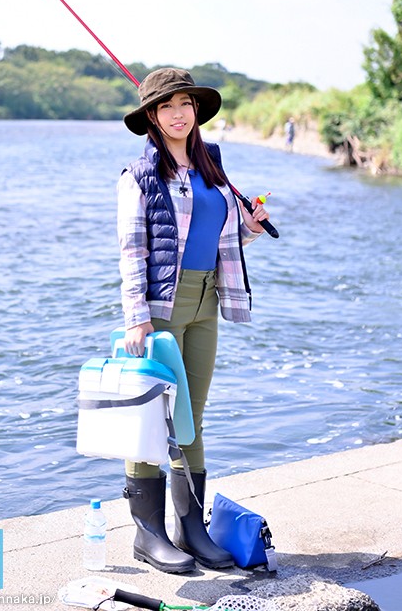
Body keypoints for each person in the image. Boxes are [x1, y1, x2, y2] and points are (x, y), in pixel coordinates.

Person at [117, 68, 271, 574]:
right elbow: (132, 251)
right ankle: (148, 534)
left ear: (197, 110)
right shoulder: (140, 176)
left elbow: (216, 237)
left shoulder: (212, 167)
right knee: (154, 417)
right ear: (151, 117)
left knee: (191, 418)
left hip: (207, 302)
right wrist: (137, 317)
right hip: (163, 307)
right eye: (166, 106)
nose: (178, 113)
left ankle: (191, 529)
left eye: (185, 103)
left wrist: (249, 227)